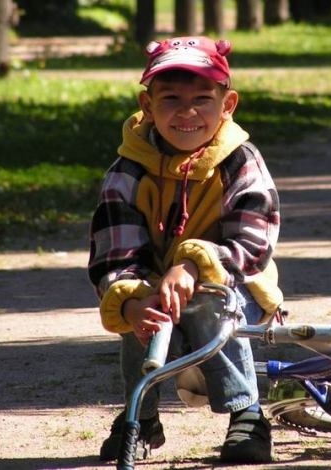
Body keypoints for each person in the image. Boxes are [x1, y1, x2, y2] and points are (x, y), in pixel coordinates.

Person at [87, 36, 283, 464]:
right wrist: (133, 298)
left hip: (234, 282)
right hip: (155, 281)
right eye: (171, 98)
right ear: (147, 103)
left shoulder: (240, 161)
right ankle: (141, 417)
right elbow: (114, 252)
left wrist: (195, 265)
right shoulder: (127, 171)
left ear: (227, 104)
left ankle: (246, 413)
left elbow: (254, 241)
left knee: (210, 305)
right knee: (143, 310)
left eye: (202, 99)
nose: (187, 111)